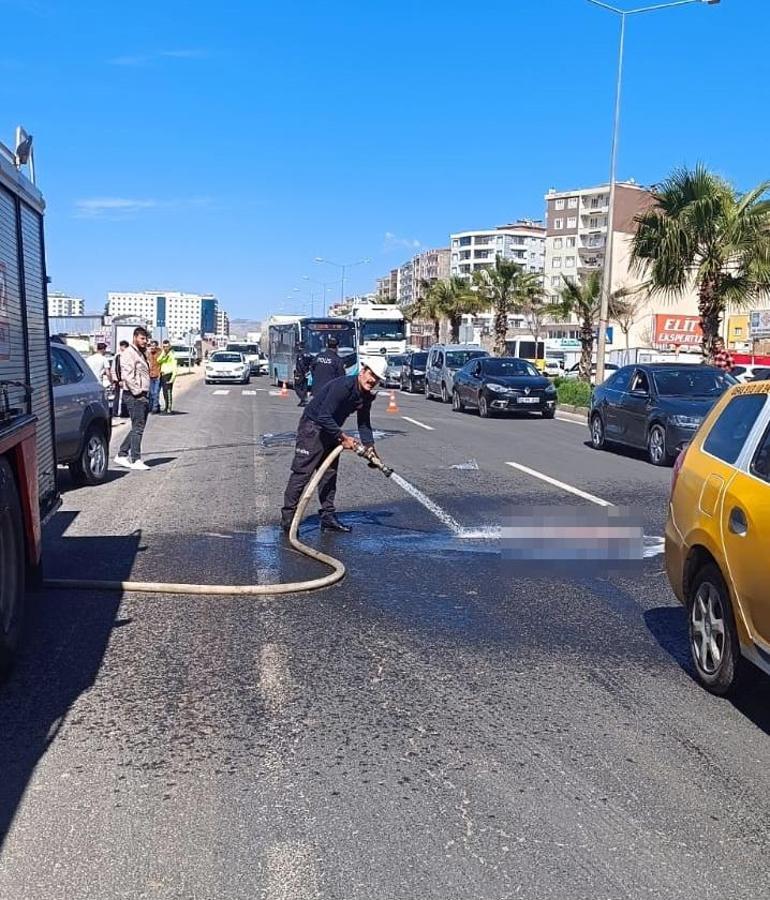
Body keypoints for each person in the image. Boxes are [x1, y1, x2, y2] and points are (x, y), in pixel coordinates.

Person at [281, 356, 388, 534]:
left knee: (329, 474)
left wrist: (370, 447)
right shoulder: (343, 386)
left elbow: (363, 423)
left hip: (331, 429)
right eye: (371, 375)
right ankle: (288, 520)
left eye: (377, 379)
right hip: (312, 427)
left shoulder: (366, 396)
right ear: (363, 371)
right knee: (302, 473)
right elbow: (323, 415)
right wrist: (343, 437)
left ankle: (328, 517)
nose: (372, 381)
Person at [114, 327, 151, 471]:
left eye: (146, 339)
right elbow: (127, 376)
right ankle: (135, 459)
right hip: (134, 395)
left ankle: (122, 454)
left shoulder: (140, 353)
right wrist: (138, 393)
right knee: (138, 428)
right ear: (135, 337)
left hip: (142, 394)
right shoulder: (129, 353)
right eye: (142, 338)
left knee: (138, 426)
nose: (145, 341)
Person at [157, 340, 178, 413]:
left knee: (168, 392)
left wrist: (172, 378)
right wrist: (164, 354)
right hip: (163, 375)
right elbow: (158, 360)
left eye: (167, 346)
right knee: (164, 392)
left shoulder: (172, 355)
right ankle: (166, 407)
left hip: (169, 374)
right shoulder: (164, 354)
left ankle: (169, 408)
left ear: (169, 346)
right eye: (164, 347)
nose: (165, 348)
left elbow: (175, 368)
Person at [112, 339, 129, 420]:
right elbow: (118, 368)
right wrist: (119, 380)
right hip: (120, 380)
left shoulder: (127, 355)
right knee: (119, 397)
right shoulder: (119, 356)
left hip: (126, 380)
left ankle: (124, 412)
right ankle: (117, 412)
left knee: (125, 397)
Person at [293, 341, 313, 407]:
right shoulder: (308, 353)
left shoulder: (300, 354)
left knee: (297, 387)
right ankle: (303, 401)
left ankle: (303, 399)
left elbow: (301, 364)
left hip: (300, 373)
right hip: (306, 373)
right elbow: (311, 362)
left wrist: (304, 372)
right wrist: (308, 371)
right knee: (304, 387)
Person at [148, 340, 162, 413]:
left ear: (156, 346)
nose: (152, 347)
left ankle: (155, 408)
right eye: (151, 345)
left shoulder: (160, 354)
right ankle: (154, 406)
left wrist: (160, 373)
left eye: (154, 345)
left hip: (157, 375)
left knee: (156, 392)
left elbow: (162, 364)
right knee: (151, 393)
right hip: (150, 375)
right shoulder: (148, 354)